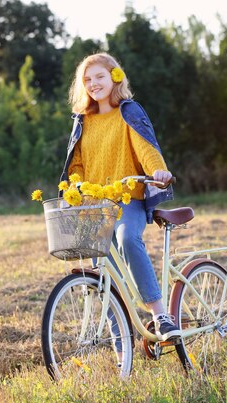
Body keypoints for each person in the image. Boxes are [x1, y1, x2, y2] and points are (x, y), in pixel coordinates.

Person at [60, 52, 180, 341]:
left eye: (99, 76)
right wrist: (71, 190)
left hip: (128, 200)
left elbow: (145, 147)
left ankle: (160, 314)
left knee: (127, 239)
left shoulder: (129, 111)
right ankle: (120, 350)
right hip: (95, 207)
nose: (93, 83)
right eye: (87, 80)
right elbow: (75, 165)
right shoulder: (82, 121)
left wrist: (159, 171)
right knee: (104, 274)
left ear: (115, 76)